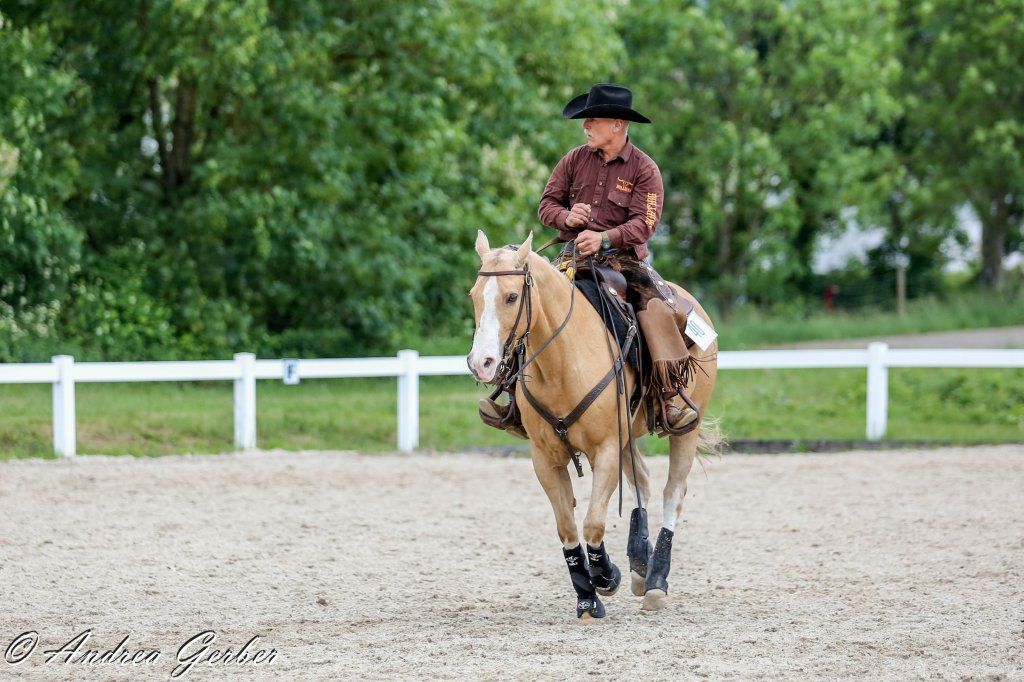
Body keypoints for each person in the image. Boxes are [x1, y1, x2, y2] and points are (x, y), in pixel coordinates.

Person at [479, 83, 698, 437]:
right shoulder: (573, 160)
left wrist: (605, 237)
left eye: (593, 119)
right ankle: (512, 393)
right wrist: (567, 217)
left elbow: (645, 225)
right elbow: (546, 205)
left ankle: (666, 398)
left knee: (659, 311)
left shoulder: (644, 169)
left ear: (618, 124)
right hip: (573, 259)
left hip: (624, 263)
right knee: (529, 302)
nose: (586, 126)